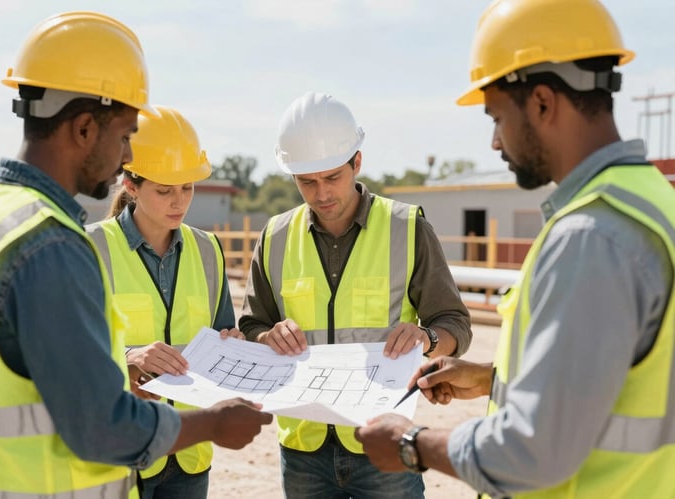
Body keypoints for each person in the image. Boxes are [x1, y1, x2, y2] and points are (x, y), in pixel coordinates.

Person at [0, 12, 272, 498]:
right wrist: (212, 424)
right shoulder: (49, 244)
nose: (126, 154)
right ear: (86, 128)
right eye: (127, 135)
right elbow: (101, 426)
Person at [354, 0, 675, 497]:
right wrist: (491, 379)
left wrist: (412, 443)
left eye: (496, 117)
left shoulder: (591, 236)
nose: (495, 143)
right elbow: (619, 378)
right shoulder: (654, 204)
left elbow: (534, 450)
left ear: (543, 103)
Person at [239, 91, 473, 498]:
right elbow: (251, 324)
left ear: (357, 162)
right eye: (307, 182)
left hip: (383, 441)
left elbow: (455, 323)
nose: (322, 193)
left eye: (332, 177)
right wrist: (265, 336)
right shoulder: (275, 237)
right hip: (302, 446)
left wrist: (427, 338)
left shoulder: (406, 227)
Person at [86, 105, 243, 499]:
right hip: (119, 452)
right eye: (165, 190)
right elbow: (67, 351)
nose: (180, 202)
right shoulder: (90, 248)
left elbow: (223, 332)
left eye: (187, 187)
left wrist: (234, 346)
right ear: (131, 184)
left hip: (189, 453)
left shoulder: (208, 250)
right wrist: (128, 359)